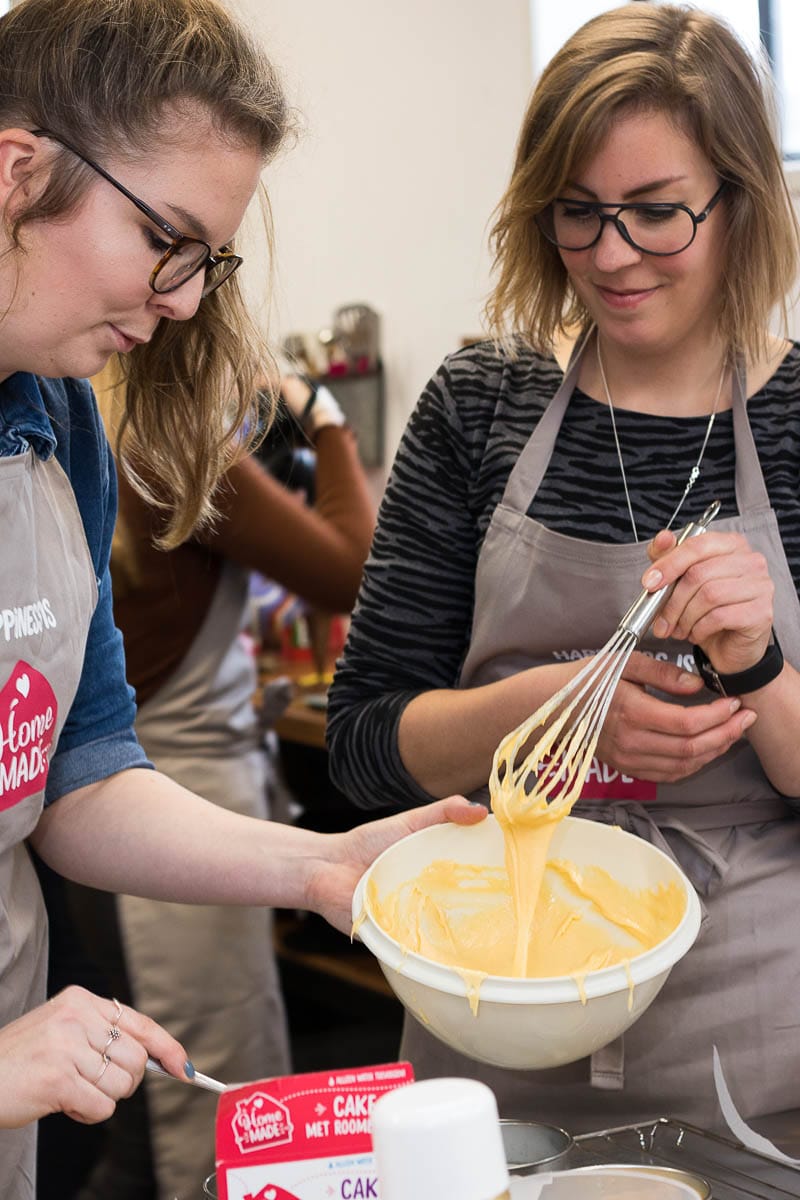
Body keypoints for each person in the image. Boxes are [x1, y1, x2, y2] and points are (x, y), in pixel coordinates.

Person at [0, 0, 487, 1194]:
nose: (179, 301)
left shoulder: (60, 421)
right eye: (164, 240)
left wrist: (318, 867)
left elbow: (79, 773)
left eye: (202, 262)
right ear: (18, 171)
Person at [327, 3, 800, 1135]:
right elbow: (360, 743)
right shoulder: (481, 403)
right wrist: (536, 715)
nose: (607, 256)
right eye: (574, 215)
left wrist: (758, 666)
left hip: (751, 1026)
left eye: (655, 215)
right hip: (491, 997)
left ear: (739, 203)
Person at [35, 366, 375, 1199]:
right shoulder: (173, 445)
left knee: (151, 1115)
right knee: (203, 1115)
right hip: (164, 807)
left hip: (145, 808)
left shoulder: (102, 440)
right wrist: (323, 414)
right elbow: (352, 567)